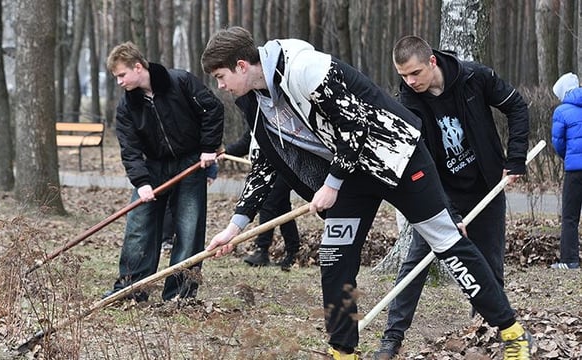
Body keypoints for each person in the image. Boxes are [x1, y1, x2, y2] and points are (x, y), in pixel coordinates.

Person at [200, 26, 532, 359]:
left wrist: (330, 186)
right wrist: (234, 228)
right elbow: (268, 160)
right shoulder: (253, 100)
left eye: (221, 76)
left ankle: (512, 332)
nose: (220, 86)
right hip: (350, 175)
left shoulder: (305, 67)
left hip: (398, 158)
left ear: (242, 65)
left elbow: (354, 126)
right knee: (334, 259)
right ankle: (344, 352)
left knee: (447, 242)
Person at [368, 35, 531, 359]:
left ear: (431, 62)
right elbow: (421, 163)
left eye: (415, 73)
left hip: (486, 187)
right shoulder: (409, 104)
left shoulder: (474, 77)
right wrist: (450, 212)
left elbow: (517, 106)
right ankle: (392, 338)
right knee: (414, 265)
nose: (409, 81)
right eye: (403, 76)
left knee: (489, 265)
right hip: (438, 196)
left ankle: (493, 331)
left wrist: (514, 160)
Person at [104, 41, 224, 302]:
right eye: (116, 77)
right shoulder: (127, 107)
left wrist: (208, 148)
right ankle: (131, 289)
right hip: (153, 167)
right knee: (139, 225)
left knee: (189, 229)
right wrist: (141, 182)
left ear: (138, 67)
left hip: (190, 163)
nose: (120, 82)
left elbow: (212, 109)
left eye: (122, 75)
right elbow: (130, 147)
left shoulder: (180, 81)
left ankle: (179, 294)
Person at [223, 129, 302, 270]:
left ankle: (262, 249)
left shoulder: (276, 120)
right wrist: (225, 153)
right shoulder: (255, 120)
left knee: (268, 202)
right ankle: (293, 251)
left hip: (287, 167)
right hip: (268, 170)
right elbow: (245, 143)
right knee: (282, 208)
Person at [550, 72, 582, 270]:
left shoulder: (562, 111)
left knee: (570, 216)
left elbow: (558, 142)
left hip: (574, 171)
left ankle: (569, 260)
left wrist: (568, 156)